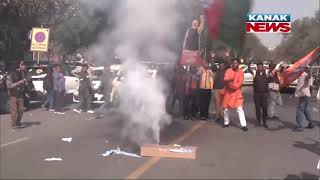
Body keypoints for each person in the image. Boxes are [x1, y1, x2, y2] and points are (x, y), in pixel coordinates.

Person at [222, 59, 248, 131]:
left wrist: (231, 83)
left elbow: (239, 83)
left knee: (239, 109)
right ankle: (226, 122)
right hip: (228, 92)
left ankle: (244, 125)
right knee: (225, 109)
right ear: (231, 64)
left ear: (238, 64)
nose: (234, 64)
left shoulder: (240, 72)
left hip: (237, 93)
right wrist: (230, 81)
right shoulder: (228, 70)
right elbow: (225, 79)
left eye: (236, 63)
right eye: (233, 63)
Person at [6, 63, 26, 131]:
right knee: (14, 111)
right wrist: (18, 83)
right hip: (13, 95)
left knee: (21, 110)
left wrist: (24, 84)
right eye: (21, 65)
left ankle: (18, 123)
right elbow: (9, 86)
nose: (22, 66)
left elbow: (23, 81)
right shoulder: (10, 75)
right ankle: (14, 125)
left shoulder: (22, 73)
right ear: (17, 66)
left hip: (20, 94)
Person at [248, 62, 269, 128]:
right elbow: (249, 69)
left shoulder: (266, 72)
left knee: (265, 108)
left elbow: (272, 69)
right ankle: (259, 121)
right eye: (259, 66)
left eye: (261, 66)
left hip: (264, 94)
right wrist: (249, 63)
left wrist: (271, 62)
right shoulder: (254, 73)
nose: (260, 68)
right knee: (257, 109)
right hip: (256, 94)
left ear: (263, 67)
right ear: (257, 67)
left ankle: (265, 122)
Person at [294, 67, 314, 131]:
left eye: (303, 68)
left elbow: (309, 77)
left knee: (299, 110)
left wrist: (309, 72)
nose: (301, 69)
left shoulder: (306, 75)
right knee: (305, 110)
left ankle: (300, 126)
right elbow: (298, 86)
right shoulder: (300, 75)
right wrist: (294, 94)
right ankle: (311, 123)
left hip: (304, 95)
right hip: (301, 94)